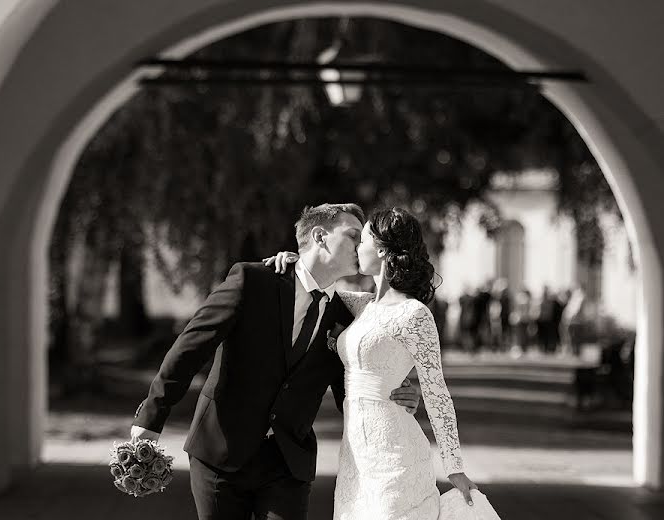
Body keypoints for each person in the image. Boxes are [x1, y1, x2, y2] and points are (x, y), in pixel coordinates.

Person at [129, 203, 421, 520]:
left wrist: (395, 394)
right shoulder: (253, 281)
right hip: (221, 452)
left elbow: (349, 391)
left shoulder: (345, 316)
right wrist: (150, 418)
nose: (363, 245)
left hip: (288, 464)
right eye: (354, 235)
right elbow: (189, 349)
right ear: (321, 236)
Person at [265, 207, 478, 520]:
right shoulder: (361, 305)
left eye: (360, 239)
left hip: (395, 452)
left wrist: (455, 468)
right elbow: (314, 284)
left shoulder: (414, 314)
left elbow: (437, 394)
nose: (355, 247)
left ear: (380, 250)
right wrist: (297, 260)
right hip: (355, 456)